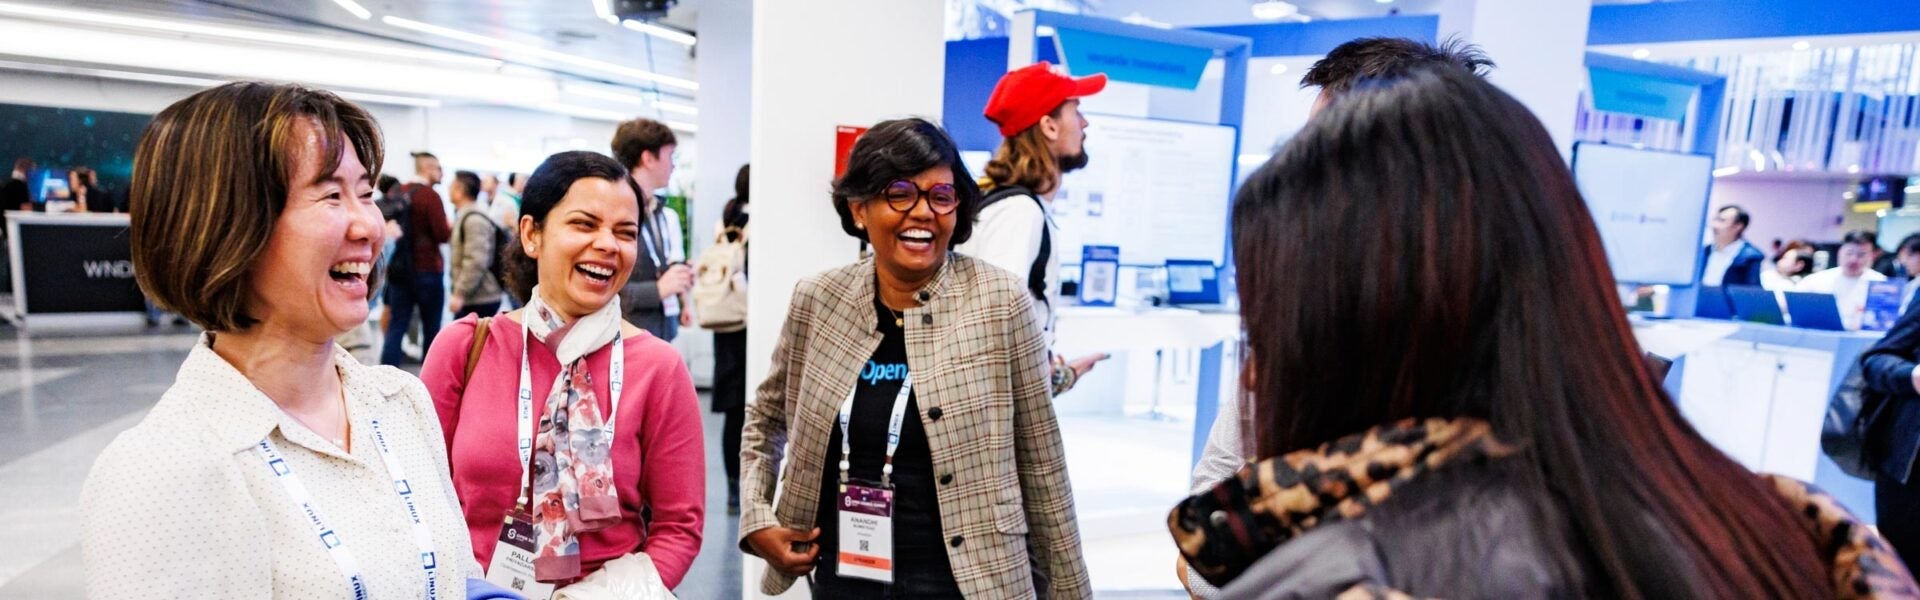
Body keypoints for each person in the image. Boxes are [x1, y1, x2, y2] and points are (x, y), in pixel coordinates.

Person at [1168, 66, 1915, 599]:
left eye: (1269, 324)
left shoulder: (1351, 568)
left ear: (1353, 324)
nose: (1254, 371)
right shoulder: (1762, 524)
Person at [80, 81, 490, 598]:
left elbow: (457, 578)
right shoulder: (164, 468)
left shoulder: (398, 402)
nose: (369, 225)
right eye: (331, 195)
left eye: (365, 193)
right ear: (225, 226)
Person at [1177, 36, 1496, 598]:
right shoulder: (1309, 317)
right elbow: (1206, 540)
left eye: (1321, 145)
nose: (1304, 166)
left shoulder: (1493, 350)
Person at [741, 118, 1090, 598]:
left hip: (971, 582)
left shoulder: (999, 301)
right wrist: (757, 517)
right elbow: (765, 417)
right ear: (859, 209)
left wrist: (1071, 591)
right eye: (899, 193)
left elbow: (1042, 462)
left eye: (941, 196)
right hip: (846, 575)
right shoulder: (820, 299)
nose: (923, 212)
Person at [423, 150, 705, 594]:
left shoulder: (656, 367)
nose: (608, 244)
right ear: (532, 234)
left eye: (625, 232)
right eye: (584, 224)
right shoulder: (466, 348)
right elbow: (420, 498)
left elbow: (679, 526)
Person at [956, 61, 1112, 397]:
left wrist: (1058, 375)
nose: (1085, 124)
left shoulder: (1013, 205)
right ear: (1049, 127)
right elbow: (993, 329)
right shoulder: (1019, 212)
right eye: (1076, 111)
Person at [612, 118, 693, 342]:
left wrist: (679, 282)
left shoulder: (659, 211)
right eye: (670, 156)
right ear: (648, 158)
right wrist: (657, 289)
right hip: (626, 338)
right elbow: (606, 289)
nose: (673, 165)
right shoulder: (614, 212)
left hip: (662, 333)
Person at [381, 151, 453, 366]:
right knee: (431, 328)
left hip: (400, 270)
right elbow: (442, 234)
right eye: (438, 168)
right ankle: (429, 385)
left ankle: (384, 379)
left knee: (397, 326)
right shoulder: (431, 196)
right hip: (428, 270)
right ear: (428, 168)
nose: (441, 173)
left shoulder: (400, 191)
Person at [708, 163, 751, 515]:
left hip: (725, 326)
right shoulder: (760, 223)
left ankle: (733, 488)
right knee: (753, 410)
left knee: (732, 414)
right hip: (750, 320)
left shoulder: (725, 219)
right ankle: (749, 485)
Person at [1798, 230, 1888, 330]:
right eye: (1849, 253)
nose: (1853, 259)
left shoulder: (1881, 284)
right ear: (1840, 252)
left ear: (1873, 256)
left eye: (1861, 255)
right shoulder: (1816, 280)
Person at [448, 169, 504, 319]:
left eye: (451, 185)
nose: (448, 189)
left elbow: (476, 260)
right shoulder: (465, 216)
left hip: (480, 299)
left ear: (459, 190)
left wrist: (460, 293)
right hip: (474, 298)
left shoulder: (474, 220)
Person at [1700, 205, 1765, 287]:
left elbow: (1752, 291)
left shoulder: (1751, 257)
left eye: (1721, 221)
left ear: (1737, 226)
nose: (1714, 226)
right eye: (1715, 220)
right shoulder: (1705, 251)